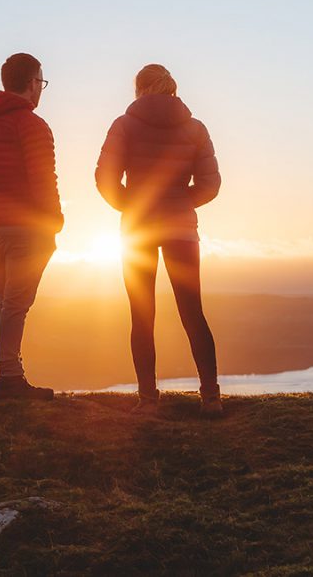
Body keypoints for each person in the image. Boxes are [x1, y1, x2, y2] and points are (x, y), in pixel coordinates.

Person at [95, 64, 223, 416]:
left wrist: (132, 205)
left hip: (137, 229)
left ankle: (148, 399)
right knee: (192, 312)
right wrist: (180, 202)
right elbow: (211, 185)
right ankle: (211, 397)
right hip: (182, 228)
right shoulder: (195, 128)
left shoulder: (124, 125)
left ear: (138, 89)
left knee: (142, 314)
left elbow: (105, 178)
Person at [0, 53, 63, 400]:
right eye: (41, 82)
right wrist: (54, 221)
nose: (41, 90)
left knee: (5, 302)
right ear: (32, 83)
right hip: (26, 229)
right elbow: (43, 180)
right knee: (16, 303)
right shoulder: (32, 125)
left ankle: (11, 373)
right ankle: (10, 379)